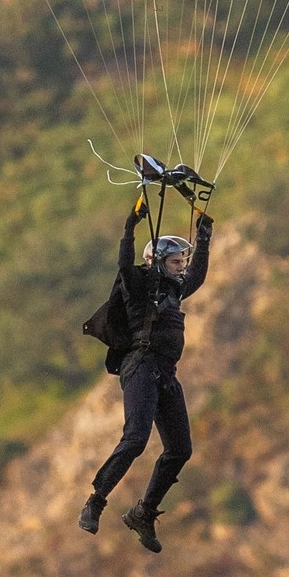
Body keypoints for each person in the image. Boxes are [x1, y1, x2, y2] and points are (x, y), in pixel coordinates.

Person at [79, 196, 214, 552]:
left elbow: (197, 274)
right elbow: (125, 267)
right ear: (156, 262)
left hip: (166, 374)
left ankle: (144, 513)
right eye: (174, 261)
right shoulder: (139, 285)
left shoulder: (175, 289)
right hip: (140, 365)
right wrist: (130, 226)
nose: (180, 268)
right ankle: (96, 499)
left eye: (180, 262)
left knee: (180, 449)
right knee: (136, 437)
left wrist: (204, 237)